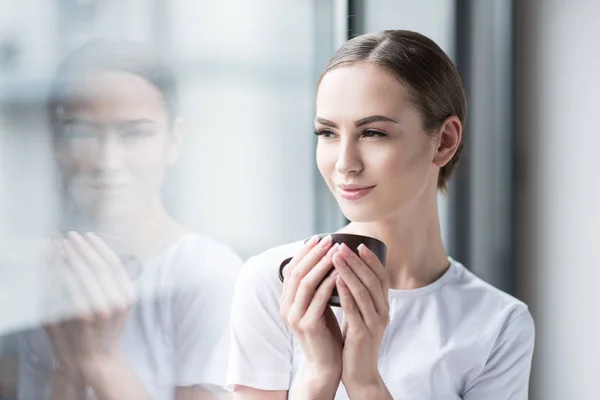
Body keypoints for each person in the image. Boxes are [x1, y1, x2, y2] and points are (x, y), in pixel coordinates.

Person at [227, 30, 535, 399]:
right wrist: (320, 374)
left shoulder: (497, 324)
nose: (344, 164)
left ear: (445, 141)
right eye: (327, 132)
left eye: (373, 133)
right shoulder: (275, 283)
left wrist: (364, 381)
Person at [17, 39, 242, 400]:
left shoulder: (208, 275)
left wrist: (100, 360)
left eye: (134, 133)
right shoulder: (44, 272)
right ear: (55, 144)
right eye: (81, 132)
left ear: (174, 140)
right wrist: (71, 370)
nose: (107, 161)